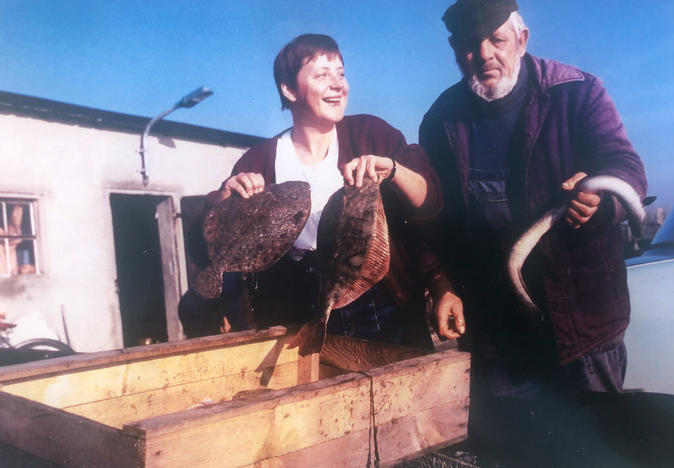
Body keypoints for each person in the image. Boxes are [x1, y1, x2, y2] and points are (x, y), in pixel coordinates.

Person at [418, 0, 647, 464]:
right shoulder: (439, 120)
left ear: (522, 40)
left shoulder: (578, 93)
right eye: (468, 45)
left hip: (583, 327)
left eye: (497, 40)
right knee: (514, 452)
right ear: (453, 50)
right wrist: (440, 283)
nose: (483, 54)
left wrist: (598, 205)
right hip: (499, 335)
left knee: (594, 451)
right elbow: (431, 220)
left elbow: (626, 170)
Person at [182, 33, 441, 349]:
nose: (338, 84)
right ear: (289, 89)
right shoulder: (258, 159)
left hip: (381, 302)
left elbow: (429, 205)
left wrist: (394, 171)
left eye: (341, 74)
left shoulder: (372, 134)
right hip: (297, 306)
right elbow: (216, 240)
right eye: (322, 75)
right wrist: (227, 197)